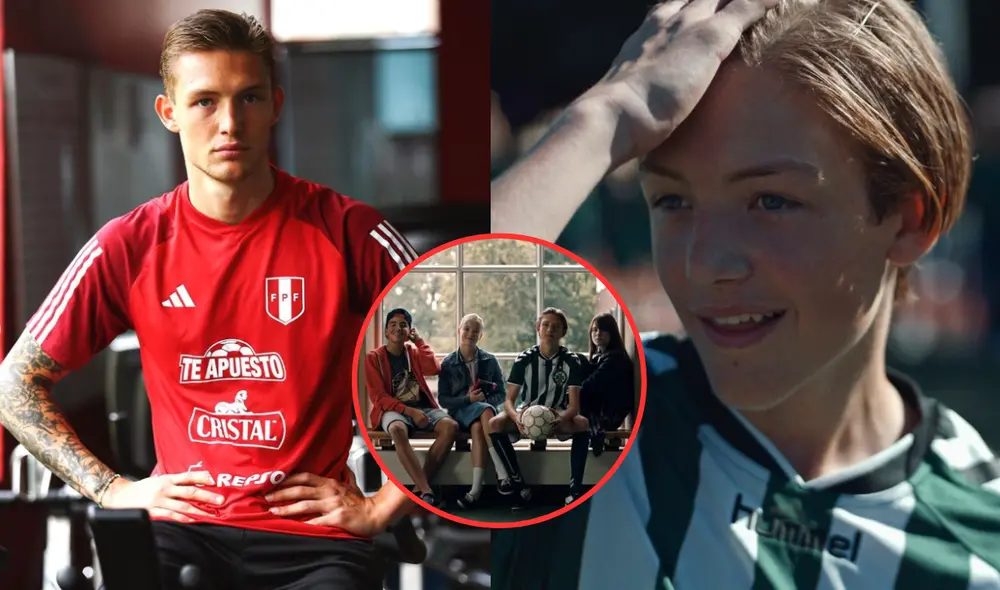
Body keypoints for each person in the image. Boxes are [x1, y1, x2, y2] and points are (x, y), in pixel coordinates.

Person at [491, 0, 1000, 588]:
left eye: (771, 202)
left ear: (910, 219)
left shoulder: (979, 541)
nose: (705, 264)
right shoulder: (598, 420)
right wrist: (606, 114)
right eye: (672, 201)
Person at [0, 9, 419, 590]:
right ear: (169, 112)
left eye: (249, 98)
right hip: (182, 530)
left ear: (275, 105)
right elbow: (14, 385)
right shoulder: (130, 245)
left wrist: (384, 504)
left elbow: (462, 369)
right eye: (204, 101)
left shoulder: (350, 232)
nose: (230, 123)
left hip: (314, 539)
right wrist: (112, 489)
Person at [488, 308, 590, 510]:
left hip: (558, 414)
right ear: (538, 328)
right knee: (495, 423)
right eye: (546, 325)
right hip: (527, 413)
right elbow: (509, 401)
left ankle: (575, 490)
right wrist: (517, 417)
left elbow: (574, 406)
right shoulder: (524, 359)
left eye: (556, 326)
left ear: (563, 332)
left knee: (582, 423)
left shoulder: (572, 360)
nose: (550, 329)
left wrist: (560, 419)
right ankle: (519, 486)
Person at [364, 308, 459, 509]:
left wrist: (419, 342)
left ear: (409, 331)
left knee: (450, 427)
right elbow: (379, 397)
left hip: (422, 407)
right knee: (397, 429)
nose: (398, 329)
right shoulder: (374, 358)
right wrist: (410, 412)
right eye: (393, 325)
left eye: (403, 325)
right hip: (392, 410)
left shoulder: (413, 353)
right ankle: (426, 490)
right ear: (386, 332)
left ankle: (419, 489)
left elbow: (434, 368)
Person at [437, 313, 507, 509]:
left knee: (479, 426)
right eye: (467, 329)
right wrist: (468, 399)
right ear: (459, 331)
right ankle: (502, 472)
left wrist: (484, 400)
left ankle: (475, 490)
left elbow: (501, 393)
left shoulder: (490, 360)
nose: (470, 333)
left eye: (475, 331)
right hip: (460, 413)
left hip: (483, 415)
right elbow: (443, 400)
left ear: (480, 335)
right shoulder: (448, 363)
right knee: (485, 411)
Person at [580, 312, 634, 456]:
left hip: (608, 415)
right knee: (579, 360)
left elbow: (592, 385)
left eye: (603, 329)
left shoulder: (615, 358)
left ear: (612, 333)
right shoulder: (599, 357)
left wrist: (568, 395)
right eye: (595, 330)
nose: (598, 333)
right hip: (600, 410)